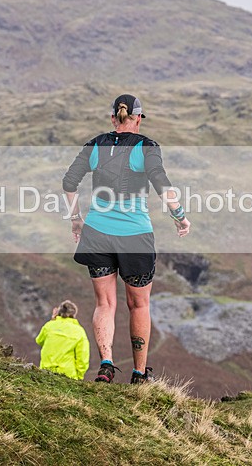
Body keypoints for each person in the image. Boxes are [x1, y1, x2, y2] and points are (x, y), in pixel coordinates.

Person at [62, 94, 191, 384]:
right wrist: (180, 217)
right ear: (139, 119)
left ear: (113, 118)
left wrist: (75, 219)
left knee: (105, 303)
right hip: (135, 237)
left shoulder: (95, 145)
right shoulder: (146, 147)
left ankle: (106, 365)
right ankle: (139, 374)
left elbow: (69, 182)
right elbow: (161, 184)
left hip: (97, 234)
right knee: (139, 305)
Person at [35, 300, 90, 380]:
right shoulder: (79, 331)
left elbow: (39, 340)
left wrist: (53, 320)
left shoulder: (49, 326)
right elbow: (83, 358)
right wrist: (79, 376)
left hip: (45, 372)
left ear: (58, 312)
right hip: (68, 374)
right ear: (74, 314)